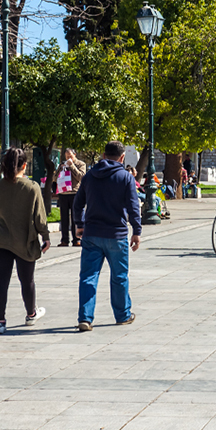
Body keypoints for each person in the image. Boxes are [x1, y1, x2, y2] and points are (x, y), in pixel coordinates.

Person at [73, 141, 141, 331]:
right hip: (116, 235)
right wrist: (136, 231)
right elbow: (133, 206)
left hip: (92, 234)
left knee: (88, 276)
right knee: (119, 277)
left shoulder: (89, 176)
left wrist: (79, 225)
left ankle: (85, 318)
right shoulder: (125, 178)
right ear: (121, 158)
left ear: (103, 156)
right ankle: (122, 315)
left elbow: (77, 204)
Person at [0, 148, 51, 334]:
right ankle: (31, 314)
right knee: (27, 280)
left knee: (1, 281)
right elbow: (40, 217)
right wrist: (45, 236)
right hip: (24, 240)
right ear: (24, 165)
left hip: (0, 240)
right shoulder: (32, 187)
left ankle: (0, 321)